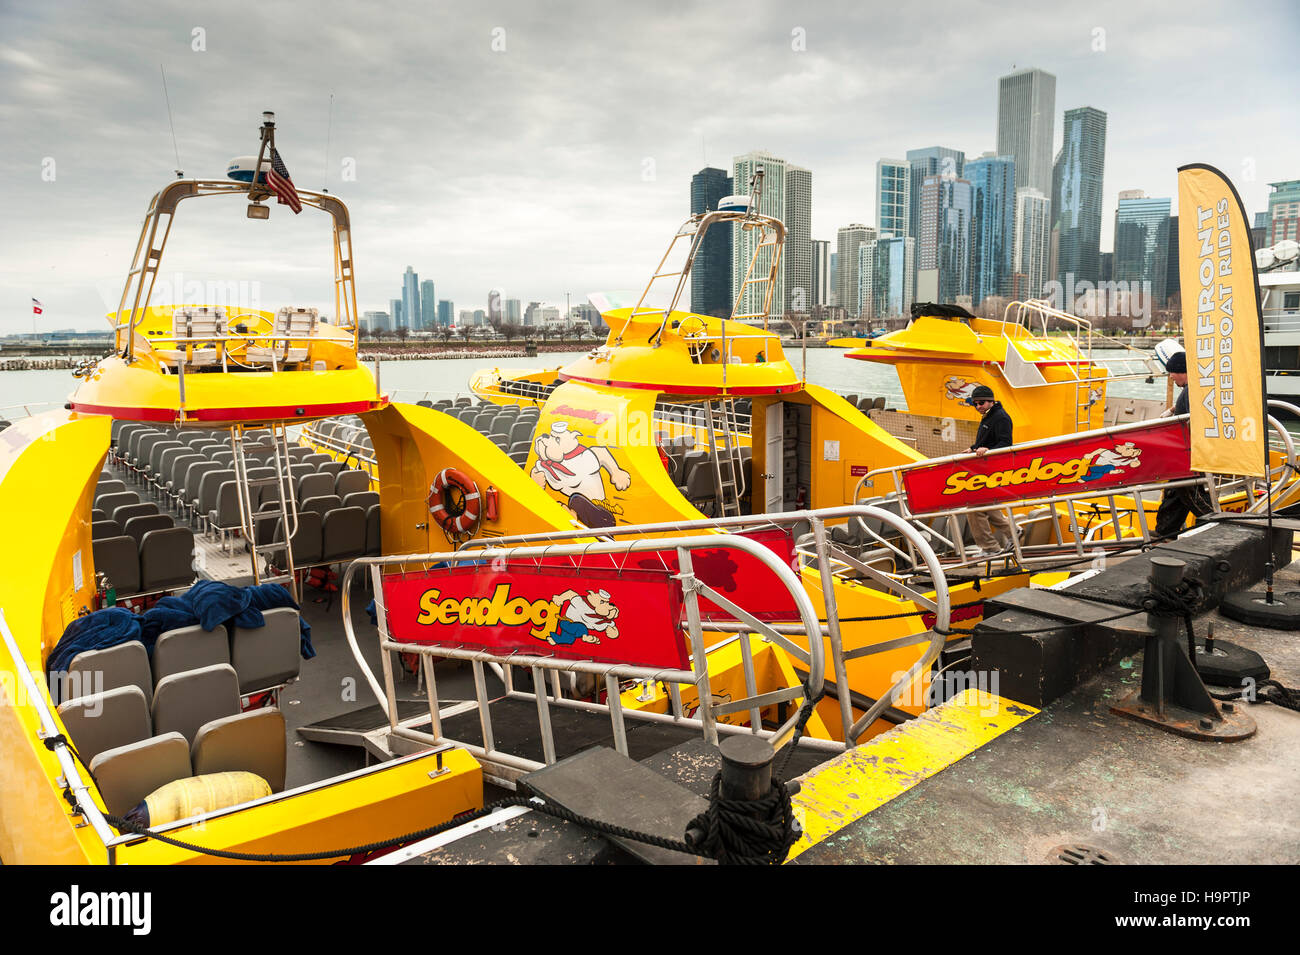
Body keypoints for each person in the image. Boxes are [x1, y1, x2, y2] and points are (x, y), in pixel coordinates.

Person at [1154, 351, 1214, 538]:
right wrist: (1172, 410)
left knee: (1189, 492)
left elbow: (1194, 418)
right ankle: (1165, 532)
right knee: (1174, 493)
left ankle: (1216, 523)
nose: (1170, 376)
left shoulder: (1191, 391)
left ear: (1181, 371)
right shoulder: (1192, 389)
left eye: (1172, 372)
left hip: (1189, 453)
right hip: (1186, 451)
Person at [965, 385, 1014, 557]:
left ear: (991, 401)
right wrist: (973, 448)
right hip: (986, 468)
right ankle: (1013, 533)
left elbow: (1006, 443)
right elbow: (987, 440)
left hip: (991, 469)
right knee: (986, 504)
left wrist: (988, 450)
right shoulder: (989, 415)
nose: (978, 406)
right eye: (975, 404)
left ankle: (990, 547)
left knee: (973, 506)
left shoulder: (1000, 417)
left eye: (982, 403)